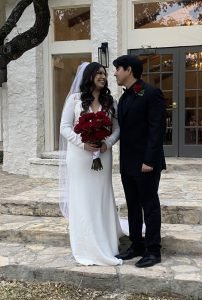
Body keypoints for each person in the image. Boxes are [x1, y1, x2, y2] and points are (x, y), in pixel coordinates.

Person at [59, 62, 123, 266]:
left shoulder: (110, 101)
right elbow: (65, 127)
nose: (103, 76)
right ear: (89, 76)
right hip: (80, 156)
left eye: (105, 73)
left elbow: (117, 128)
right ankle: (86, 245)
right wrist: (82, 143)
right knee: (83, 197)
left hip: (103, 154)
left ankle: (107, 244)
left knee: (101, 196)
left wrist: (107, 143)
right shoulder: (75, 100)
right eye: (99, 73)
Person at [113, 55, 166, 268]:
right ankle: (137, 245)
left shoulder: (151, 93)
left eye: (118, 69)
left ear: (129, 70)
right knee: (133, 206)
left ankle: (153, 251)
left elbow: (157, 129)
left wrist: (150, 161)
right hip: (128, 163)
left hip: (146, 163)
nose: (115, 73)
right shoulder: (125, 98)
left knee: (149, 206)